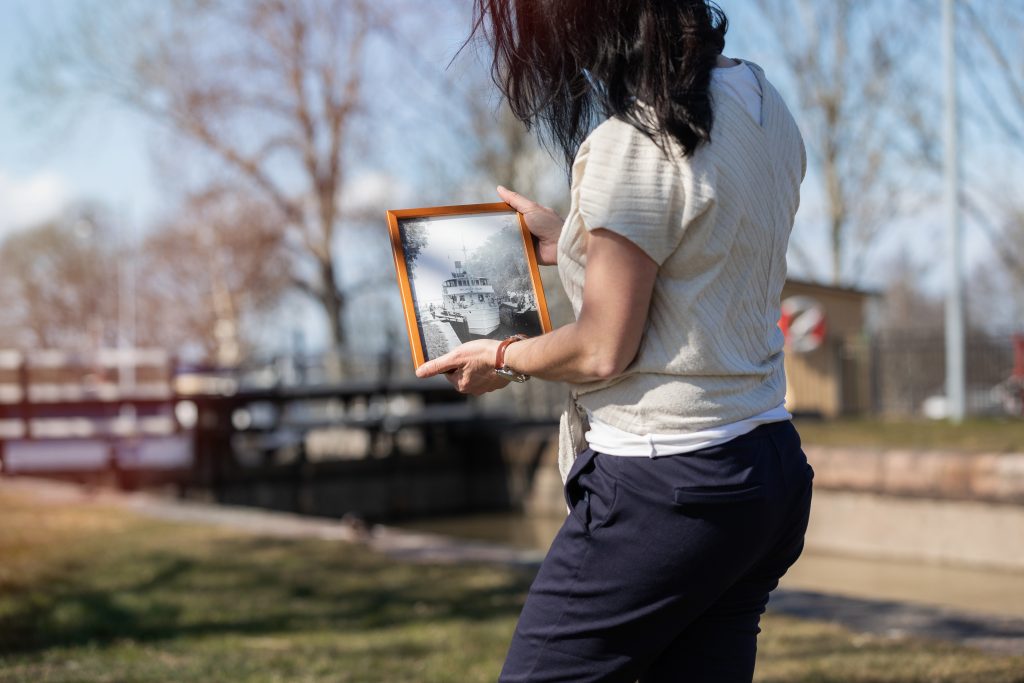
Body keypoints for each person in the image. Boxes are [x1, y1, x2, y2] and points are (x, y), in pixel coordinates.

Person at [416, 1, 813, 680]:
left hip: (668, 488)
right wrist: (574, 233)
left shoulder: (636, 141)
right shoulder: (761, 100)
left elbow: (603, 347)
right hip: (764, 469)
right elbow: (698, 251)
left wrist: (503, 356)